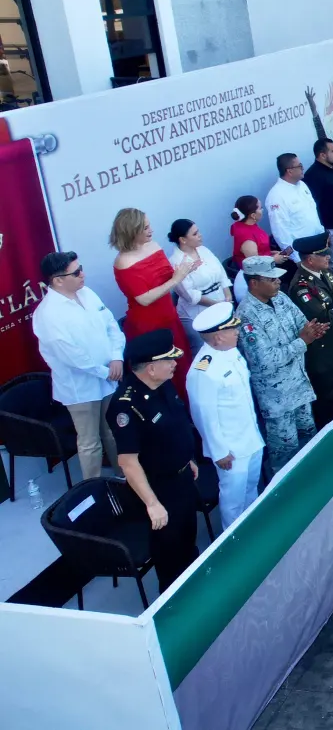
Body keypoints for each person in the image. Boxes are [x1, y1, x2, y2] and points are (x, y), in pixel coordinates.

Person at [110, 329, 201, 593]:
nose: (175, 363)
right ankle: (175, 604)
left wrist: (188, 459)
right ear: (150, 368)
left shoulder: (162, 384)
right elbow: (128, 463)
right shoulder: (126, 406)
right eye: (168, 360)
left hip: (182, 477)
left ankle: (193, 587)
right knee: (170, 552)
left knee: (187, 540)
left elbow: (175, 427)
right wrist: (152, 504)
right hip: (160, 490)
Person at [32, 251, 126, 481]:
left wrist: (116, 357)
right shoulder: (47, 315)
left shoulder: (87, 293)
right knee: (90, 441)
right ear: (57, 280)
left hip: (109, 376)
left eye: (80, 267)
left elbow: (111, 326)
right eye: (76, 272)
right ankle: (93, 489)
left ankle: (124, 475)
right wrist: (106, 372)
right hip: (81, 388)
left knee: (112, 430)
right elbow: (72, 357)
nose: (83, 274)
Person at [236, 255, 324, 469]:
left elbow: (302, 323)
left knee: (308, 442)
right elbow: (265, 361)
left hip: (299, 386)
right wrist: (302, 341)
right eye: (271, 279)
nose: (277, 282)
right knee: (285, 454)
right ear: (254, 283)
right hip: (278, 400)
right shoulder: (246, 316)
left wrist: (312, 332)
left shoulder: (281, 298)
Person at [186, 302, 265, 529]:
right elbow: (203, 415)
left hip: (250, 437)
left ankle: (252, 528)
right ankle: (233, 539)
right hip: (231, 449)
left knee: (251, 489)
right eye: (232, 330)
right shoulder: (203, 371)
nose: (237, 332)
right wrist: (219, 451)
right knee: (233, 500)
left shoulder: (230, 352)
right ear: (218, 338)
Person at [110, 208, 195, 398]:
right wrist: (176, 279)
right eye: (145, 228)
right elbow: (144, 299)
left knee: (182, 368)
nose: (151, 230)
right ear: (132, 231)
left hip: (169, 317)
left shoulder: (154, 245)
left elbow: (165, 277)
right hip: (148, 325)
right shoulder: (123, 262)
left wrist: (183, 271)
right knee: (164, 375)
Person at [288, 232, 333, 428]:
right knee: (325, 403)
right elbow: (324, 317)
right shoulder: (301, 286)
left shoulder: (326, 273)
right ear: (309, 259)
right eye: (323, 254)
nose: (328, 257)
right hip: (322, 355)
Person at [167, 219, 232, 351]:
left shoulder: (203, 250)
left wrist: (227, 294)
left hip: (221, 299)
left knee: (227, 340)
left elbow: (221, 274)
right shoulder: (176, 262)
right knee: (206, 348)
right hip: (197, 311)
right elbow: (190, 296)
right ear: (183, 240)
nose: (200, 235)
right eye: (195, 234)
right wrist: (218, 305)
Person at [265, 152, 325, 263]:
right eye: (300, 166)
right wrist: (296, 258)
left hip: (319, 246)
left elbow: (312, 214)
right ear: (290, 171)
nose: (303, 168)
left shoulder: (302, 185)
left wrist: (324, 237)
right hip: (302, 253)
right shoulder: (276, 196)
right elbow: (280, 232)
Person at [303, 138, 333, 259]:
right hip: (331, 229)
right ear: (323, 155)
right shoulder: (313, 176)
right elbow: (314, 205)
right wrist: (325, 232)